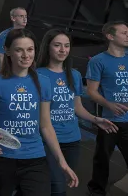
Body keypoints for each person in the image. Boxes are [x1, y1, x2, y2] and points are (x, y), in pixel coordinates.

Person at [0, 28, 78, 196]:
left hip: (34, 157)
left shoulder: (43, 82)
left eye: (30, 49)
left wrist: (62, 162)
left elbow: (46, 126)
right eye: (19, 50)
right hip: (2, 156)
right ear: (8, 51)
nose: (26, 55)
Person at [37, 29, 117, 196]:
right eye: (57, 45)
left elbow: (77, 107)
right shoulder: (37, 75)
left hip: (72, 140)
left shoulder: (74, 74)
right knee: (57, 188)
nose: (62, 50)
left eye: (66, 46)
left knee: (60, 185)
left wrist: (96, 119)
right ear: (48, 48)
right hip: (48, 141)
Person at [85, 21, 128, 196]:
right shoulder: (98, 61)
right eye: (124, 33)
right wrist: (109, 104)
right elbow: (91, 91)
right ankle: (96, 189)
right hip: (109, 121)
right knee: (102, 159)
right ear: (110, 36)